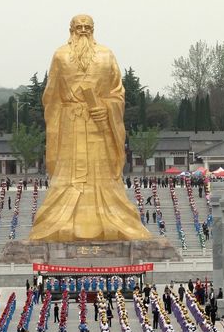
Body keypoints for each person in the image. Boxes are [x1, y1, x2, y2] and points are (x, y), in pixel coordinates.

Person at [28, 14, 152, 242]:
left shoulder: (106, 55)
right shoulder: (60, 55)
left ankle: (110, 219)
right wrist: (58, 120)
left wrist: (107, 108)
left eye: (87, 27)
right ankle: (62, 220)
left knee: (101, 173)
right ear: (71, 29)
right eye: (79, 27)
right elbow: (51, 94)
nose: (83, 31)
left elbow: (117, 92)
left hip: (99, 124)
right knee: (70, 173)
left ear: (93, 30)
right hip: (70, 124)